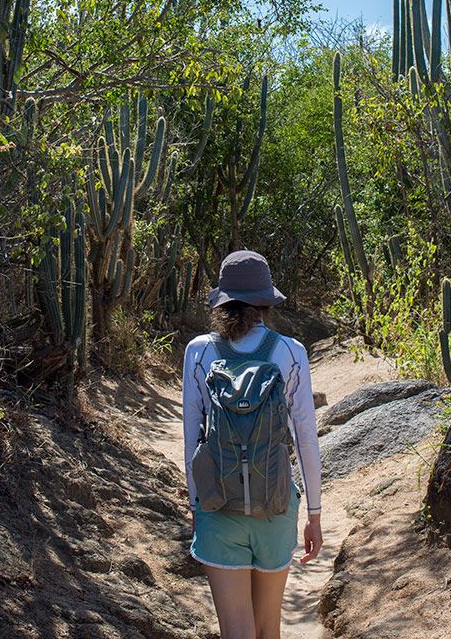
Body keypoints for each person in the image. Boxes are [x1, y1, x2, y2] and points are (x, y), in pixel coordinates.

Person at [182, 250, 323, 639]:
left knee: (236, 630)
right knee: (267, 628)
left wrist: (198, 506)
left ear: (222, 301)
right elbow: (306, 437)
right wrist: (314, 514)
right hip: (276, 505)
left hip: (219, 505)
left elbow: (191, 437)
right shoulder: (291, 352)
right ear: (265, 302)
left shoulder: (198, 352)